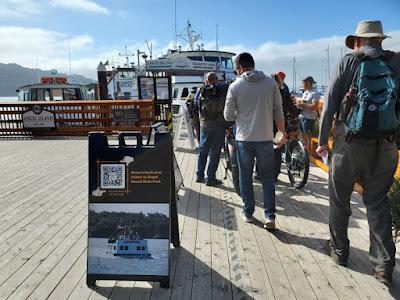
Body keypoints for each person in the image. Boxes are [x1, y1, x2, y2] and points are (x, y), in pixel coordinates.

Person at [316, 20, 400, 286]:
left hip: (348, 145)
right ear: (380, 40)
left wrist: (321, 142)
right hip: (385, 147)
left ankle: (340, 251)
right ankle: (384, 265)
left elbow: (329, 104)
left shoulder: (349, 62)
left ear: (358, 41)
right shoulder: (396, 63)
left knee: (339, 200)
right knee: (377, 203)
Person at [224, 52, 285, 230]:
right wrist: (282, 133)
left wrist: (240, 114)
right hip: (266, 138)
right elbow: (278, 111)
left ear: (241, 68)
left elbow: (227, 115)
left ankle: (248, 212)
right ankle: (269, 216)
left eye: (236, 69)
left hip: (244, 139)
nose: (236, 72)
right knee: (267, 178)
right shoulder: (271, 83)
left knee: (245, 177)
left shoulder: (235, 86)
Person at [196, 72, 229, 186]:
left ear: (206, 81)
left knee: (203, 151)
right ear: (217, 80)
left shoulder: (201, 90)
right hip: (219, 126)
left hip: (205, 125)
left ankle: (199, 176)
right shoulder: (223, 88)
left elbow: (196, 106)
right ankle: (211, 178)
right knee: (215, 153)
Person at [273, 72, 299, 180]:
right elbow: (291, 107)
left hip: (267, 124)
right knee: (277, 149)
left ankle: (261, 172)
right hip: (280, 124)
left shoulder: (267, 92)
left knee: (266, 148)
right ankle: (275, 174)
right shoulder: (284, 91)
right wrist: (295, 114)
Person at [296, 76, 320, 153]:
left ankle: (308, 157)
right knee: (302, 136)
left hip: (309, 118)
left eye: (304, 83)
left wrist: (302, 105)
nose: (302, 85)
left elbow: (315, 106)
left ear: (308, 83)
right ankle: (303, 154)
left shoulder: (315, 93)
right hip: (302, 116)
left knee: (308, 137)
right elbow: (305, 103)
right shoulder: (305, 92)